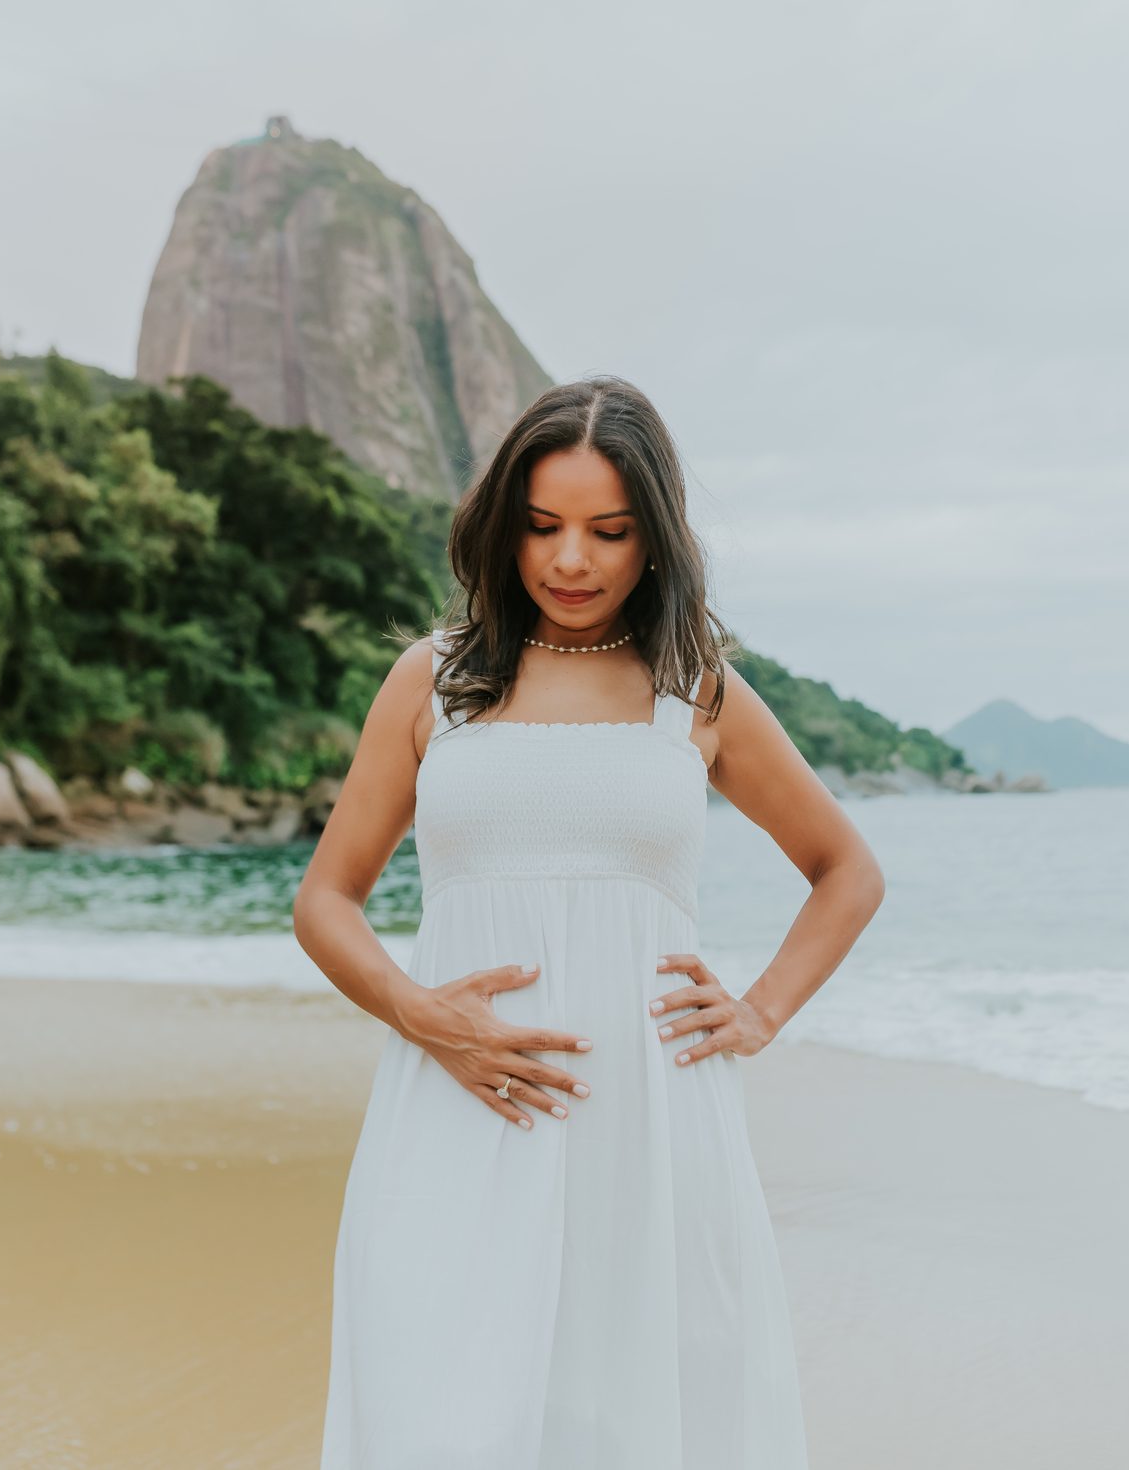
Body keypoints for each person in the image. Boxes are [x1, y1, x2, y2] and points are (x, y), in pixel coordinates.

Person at [294, 376, 884, 1470]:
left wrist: (757, 1012)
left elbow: (845, 868)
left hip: (655, 1121)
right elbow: (326, 899)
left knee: (647, 1417)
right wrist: (426, 1015)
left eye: (609, 531)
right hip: (460, 1103)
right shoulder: (435, 681)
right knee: (440, 1403)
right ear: (501, 526)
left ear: (653, 537)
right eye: (542, 526)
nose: (572, 560)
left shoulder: (694, 690)